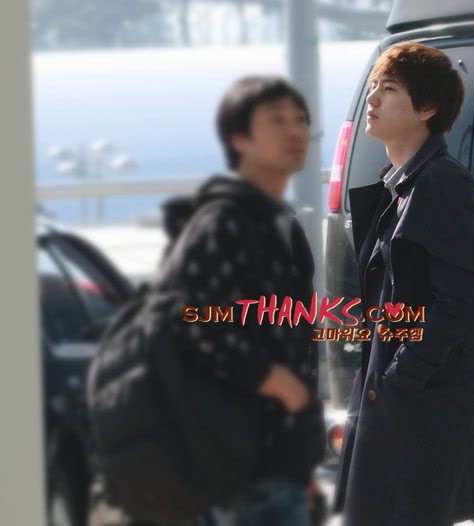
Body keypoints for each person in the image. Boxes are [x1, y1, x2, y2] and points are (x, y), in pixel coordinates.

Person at [331, 42, 474, 526]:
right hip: (398, 401)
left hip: (419, 409)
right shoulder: (403, 186)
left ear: (427, 108)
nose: (372, 98)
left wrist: (398, 382)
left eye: (390, 89)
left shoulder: (440, 184)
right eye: (373, 86)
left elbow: (457, 306)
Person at [159, 76, 327, 526]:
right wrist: (285, 389)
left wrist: (300, 461)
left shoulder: (276, 221)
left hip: (277, 463)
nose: (295, 131)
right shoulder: (222, 222)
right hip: (238, 466)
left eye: (300, 119)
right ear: (239, 139)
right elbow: (192, 322)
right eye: (276, 119)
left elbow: (288, 334)